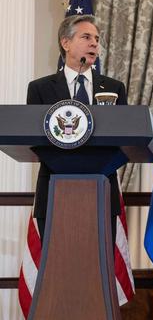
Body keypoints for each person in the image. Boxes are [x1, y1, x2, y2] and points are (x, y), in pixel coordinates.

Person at [26, 14, 127, 243]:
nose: (94, 43)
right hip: (54, 189)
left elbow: (125, 138)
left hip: (102, 192)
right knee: (56, 268)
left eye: (97, 39)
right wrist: (70, 166)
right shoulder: (40, 88)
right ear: (66, 43)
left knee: (98, 271)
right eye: (86, 37)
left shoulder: (114, 88)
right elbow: (35, 139)